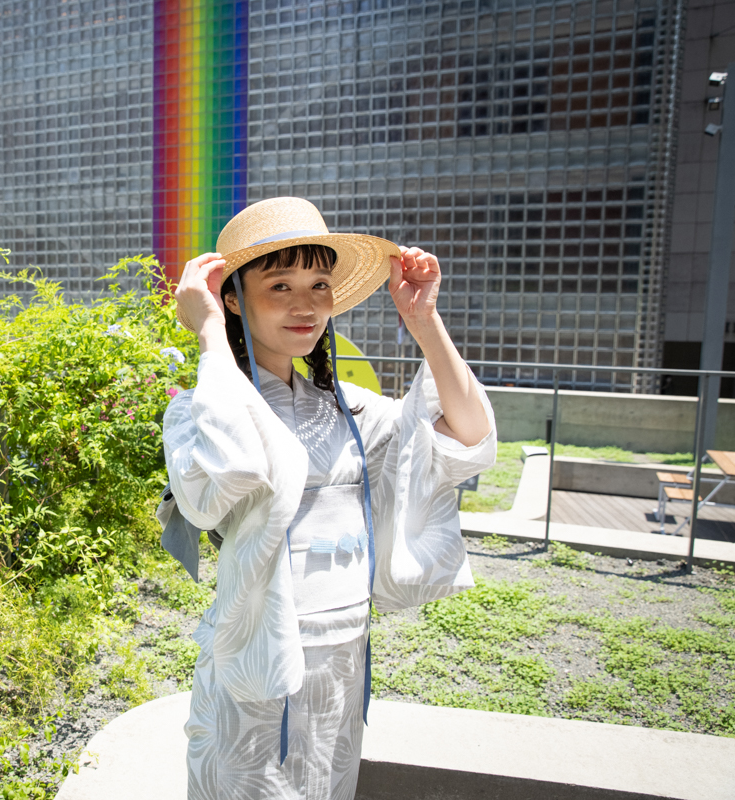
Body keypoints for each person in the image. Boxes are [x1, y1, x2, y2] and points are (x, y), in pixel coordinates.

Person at [159, 197, 497, 800]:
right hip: (255, 658)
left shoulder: (351, 409)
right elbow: (225, 477)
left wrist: (424, 321)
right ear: (233, 298)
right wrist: (209, 331)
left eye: (319, 284)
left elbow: (468, 438)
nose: (306, 304)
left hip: (345, 654)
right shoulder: (195, 412)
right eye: (280, 285)